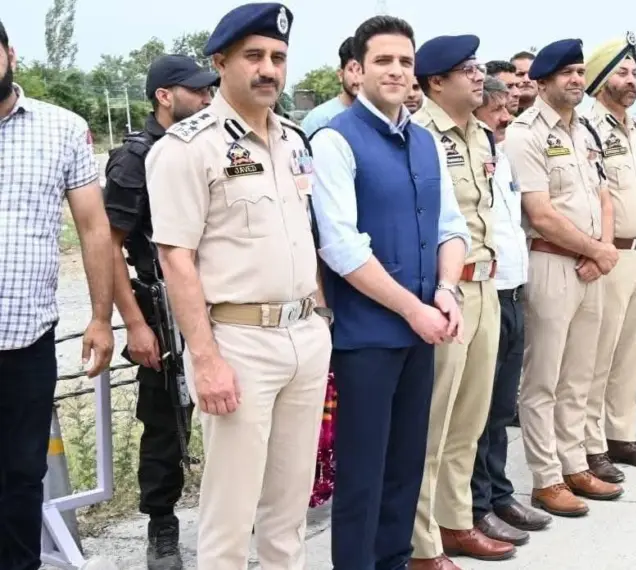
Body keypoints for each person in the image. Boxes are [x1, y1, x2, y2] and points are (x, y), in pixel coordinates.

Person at [145, 5, 332, 569]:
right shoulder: (186, 148)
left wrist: (320, 319)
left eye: (277, 57)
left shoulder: (294, 139)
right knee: (230, 507)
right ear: (220, 62)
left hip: (304, 333)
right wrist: (205, 360)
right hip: (240, 342)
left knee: (290, 502)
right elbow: (175, 258)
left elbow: (306, 235)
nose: (268, 69)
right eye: (253, 56)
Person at [309, 15, 471, 570]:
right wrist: (414, 309)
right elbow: (342, 247)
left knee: (406, 464)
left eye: (405, 61)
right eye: (383, 60)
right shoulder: (334, 140)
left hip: (423, 327)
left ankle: (396, 560)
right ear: (355, 71)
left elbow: (451, 226)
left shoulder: (424, 141)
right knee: (363, 474)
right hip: (367, 338)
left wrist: (447, 290)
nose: (396, 70)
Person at [0, 18, 116, 570]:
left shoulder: (62, 127)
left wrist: (99, 318)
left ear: (10, 54)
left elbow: (95, 230)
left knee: (22, 472)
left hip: (26, 336)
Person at [102, 54, 217, 570]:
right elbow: (108, 246)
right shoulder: (136, 157)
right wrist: (135, 323)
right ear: (164, 96)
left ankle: (229, 519)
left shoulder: (211, 144)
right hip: (158, 304)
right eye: (197, 90)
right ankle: (162, 526)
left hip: (212, 298)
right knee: (166, 422)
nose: (208, 98)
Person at [504, 38, 623, 518]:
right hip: (552, 263)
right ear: (542, 82)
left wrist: (603, 251)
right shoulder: (524, 133)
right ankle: (545, 478)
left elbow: (604, 197)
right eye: (566, 73)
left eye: (580, 71)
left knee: (580, 376)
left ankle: (574, 464)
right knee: (543, 379)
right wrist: (595, 249)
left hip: (592, 265)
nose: (576, 79)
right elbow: (541, 213)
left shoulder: (586, 130)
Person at [409, 34, 516, 566]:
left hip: (484, 286)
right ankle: (420, 543)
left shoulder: (479, 134)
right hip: (443, 294)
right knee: (434, 423)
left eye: (478, 67)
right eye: (467, 70)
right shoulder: (419, 133)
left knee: (470, 420)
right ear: (436, 82)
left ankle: (456, 522)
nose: (480, 76)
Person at [469, 76, 553, 546]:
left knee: (501, 407)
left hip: (513, 290)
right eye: (499, 107)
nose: (507, 116)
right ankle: (476, 505)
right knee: (477, 413)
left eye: (510, 106)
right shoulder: (461, 153)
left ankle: (499, 492)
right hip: (485, 293)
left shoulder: (501, 156)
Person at [581, 32, 636, 484]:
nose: (632, 81)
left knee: (632, 351)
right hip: (609, 254)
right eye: (623, 73)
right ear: (599, 79)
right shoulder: (589, 125)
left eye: (634, 73)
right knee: (600, 355)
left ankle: (620, 433)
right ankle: (590, 446)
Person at [300, 37, 360, 136]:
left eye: (362, 70)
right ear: (340, 75)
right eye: (351, 69)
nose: (357, 77)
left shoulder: (380, 118)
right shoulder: (319, 119)